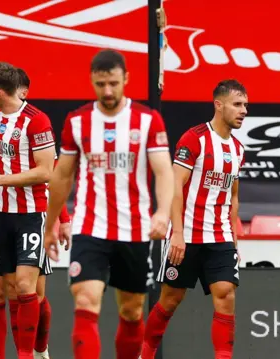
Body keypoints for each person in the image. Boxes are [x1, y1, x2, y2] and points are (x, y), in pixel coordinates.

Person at [43, 49, 175, 359]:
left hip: (135, 230)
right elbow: (62, 177)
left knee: (131, 311)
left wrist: (162, 212)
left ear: (126, 79)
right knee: (86, 300)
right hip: (91, 227)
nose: (107, 91)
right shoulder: (78, 122)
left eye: (113, 83)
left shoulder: (147, 120)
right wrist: (50, 224)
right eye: (101, 83)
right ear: (91, 79)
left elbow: (164, 172)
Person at [140, 80, 247, 359]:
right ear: (218, 104)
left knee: (226, 294)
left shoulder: (238, 149)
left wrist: (234, 240)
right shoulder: (194, 138)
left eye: (245, 105)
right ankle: (145, 353)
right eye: (238, 104)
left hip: (220, 236)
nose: (243, 110)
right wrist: (176, 233)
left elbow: (234, 197)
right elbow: (175, 186)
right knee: (171, 300)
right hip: (186, 236)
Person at [0, 66, 71, 359]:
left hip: (31, 214)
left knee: (30, 290)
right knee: (3, 292)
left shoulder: (36, 121)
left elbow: (46, 172)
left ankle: (34, 352)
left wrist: (62, 218)